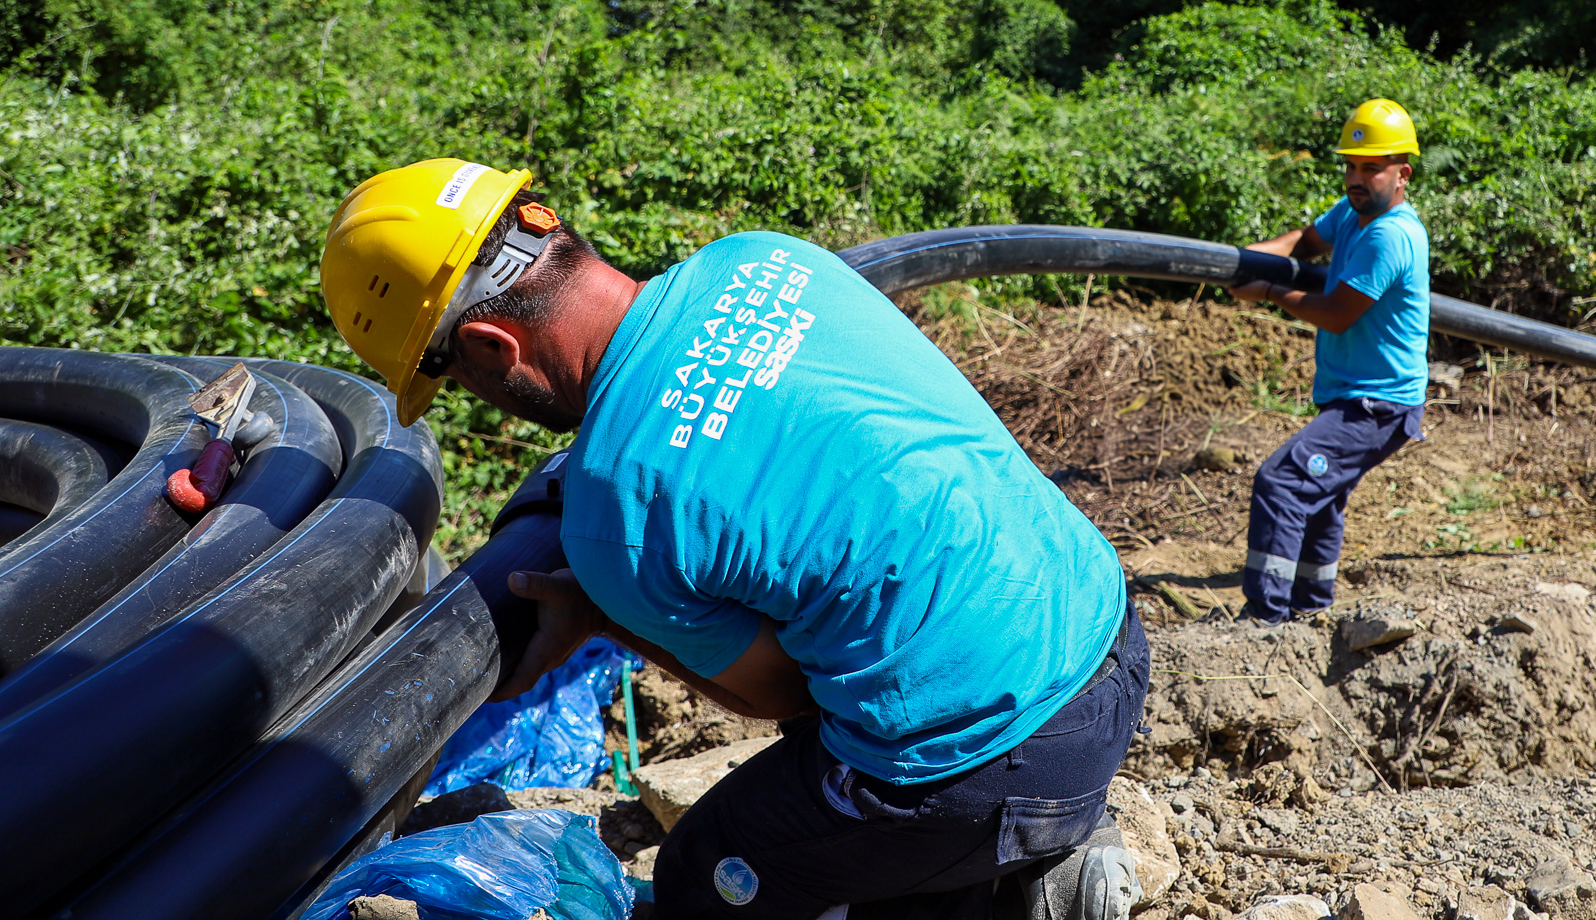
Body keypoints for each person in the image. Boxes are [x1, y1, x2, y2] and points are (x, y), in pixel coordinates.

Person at [319, 160, 1148, 920]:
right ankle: (1032, 870)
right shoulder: (763, 259)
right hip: (1108, 636)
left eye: (451, 376)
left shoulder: (617, 514)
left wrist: (605, 618)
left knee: (705, 875)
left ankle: (1028, 858)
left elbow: (783, 695)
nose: (471, 394)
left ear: (488, 346)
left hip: (992, 767)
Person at [1224, 98, 1431, 625]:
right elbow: (1303, 242)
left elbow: (1338, 314)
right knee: (1321, 498)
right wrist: (1242, 259)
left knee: (1283, 481)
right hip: (1355, 397)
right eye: (1351, 165)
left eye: (1371, 168)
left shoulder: (1390, 235)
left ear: (1402, 174)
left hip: (1378, 405)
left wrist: (1268, 289)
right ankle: (1311, 611)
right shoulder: (1353, 213)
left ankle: (1264, 618)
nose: (1356, 177)